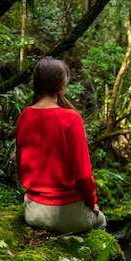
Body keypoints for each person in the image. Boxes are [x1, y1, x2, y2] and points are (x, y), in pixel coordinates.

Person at [15, 56, 106, 233]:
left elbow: (21, 169)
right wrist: (91, 202)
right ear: (62, 86)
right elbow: (83, 175)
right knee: (101, 221)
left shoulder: (24, 116)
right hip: (68, 214)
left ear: (37, 83)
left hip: (33, 211)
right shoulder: (71, 118)